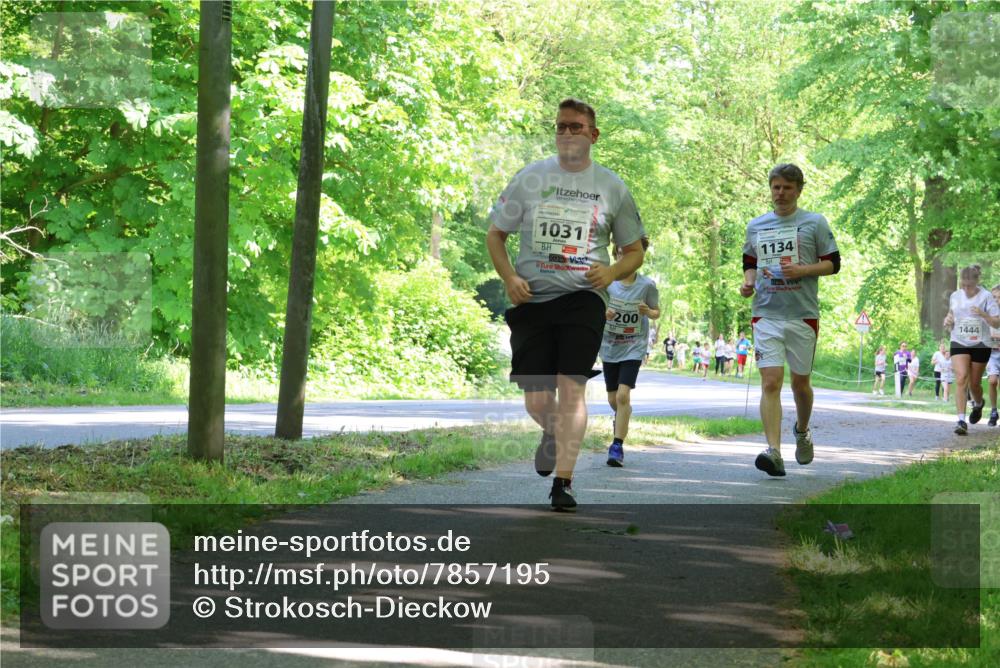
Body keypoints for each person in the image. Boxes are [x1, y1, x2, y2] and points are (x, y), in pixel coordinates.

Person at [486, 98, 645, 510]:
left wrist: (609, 274)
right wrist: (510, 278)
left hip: (583, 299)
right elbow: (495, 235)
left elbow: (633, 251)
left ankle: (564, 483)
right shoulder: (530, 178)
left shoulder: (612, 187)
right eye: (561, 127)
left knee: (572, 387)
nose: (568, 133)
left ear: (593, 135)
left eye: (576, 127)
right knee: (537, 397)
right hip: (533, 298)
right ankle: (553, 431)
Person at [739, 163, 840, 476]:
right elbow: (749, 261)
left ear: (799, 190)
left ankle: (802, 429)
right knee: (770, 381)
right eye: (775, 187)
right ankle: (774, 451)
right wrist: (747, 281)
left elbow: (833, 263)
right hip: (766, 312)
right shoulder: (757, 225)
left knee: (800, 384)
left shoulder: (814, 222)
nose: (780, 193)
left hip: (802, 314)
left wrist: (804, 270)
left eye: (786, 188)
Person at [600, 239, 659, 467]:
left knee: (623, 396)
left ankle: (617, 446)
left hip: (633, 346)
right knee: (614, 399)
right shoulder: (607, 283)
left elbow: (656, 312)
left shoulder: (647, 285)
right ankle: (623, 415)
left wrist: (648, 311)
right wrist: (604, 313)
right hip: (609, 346)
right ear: (615, 256)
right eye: (620, 255)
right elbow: (595, 308)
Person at [942, 265, 1000, 435]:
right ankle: (961, 420)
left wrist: (983, 314)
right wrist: (948, 320)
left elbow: (996, 322)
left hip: (981, 343)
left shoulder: (987, 296)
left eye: (970, 285)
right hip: (959, 340)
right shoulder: (955, 296)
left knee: (974, 383)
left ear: (977, 281)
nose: (966, 289)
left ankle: (979, 403)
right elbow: (951, 315)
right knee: (961, 377)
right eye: (963, 285)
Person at [987, 284, 1000, 426]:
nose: (997, 300)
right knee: (992, 381)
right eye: (995, 297)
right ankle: (993, 411)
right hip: (992, 353)